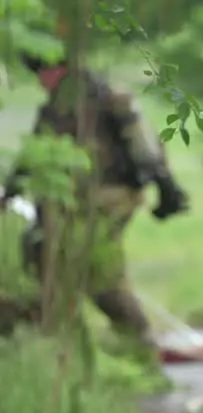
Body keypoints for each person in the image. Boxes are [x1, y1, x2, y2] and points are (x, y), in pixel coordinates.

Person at [3, 54, 189, 356]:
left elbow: (144, 149)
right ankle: (55, 343)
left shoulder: (106, 99)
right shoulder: (55, 106)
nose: (42, 80)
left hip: (108, 198)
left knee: (99, 274)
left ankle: (138, 345)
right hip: (71, 203)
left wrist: (166, 188)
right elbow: (32, 157)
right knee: (44, 259)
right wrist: (9, 194)